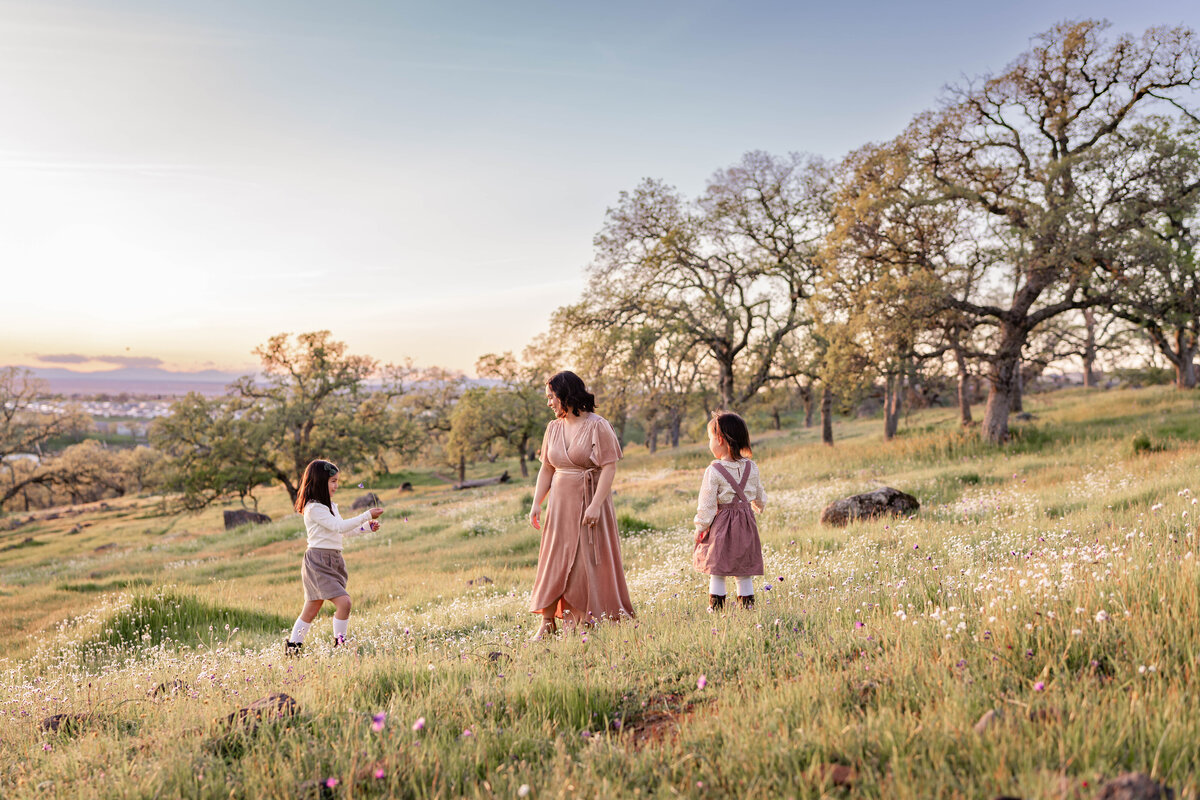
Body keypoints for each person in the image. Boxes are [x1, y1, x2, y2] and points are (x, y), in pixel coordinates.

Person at [528, 371, 634, 639]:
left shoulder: (598, 425)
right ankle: (547, 621)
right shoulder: (553, 428)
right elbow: (546, 468)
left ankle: (585, 617)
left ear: (566, 395)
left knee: (585, 560)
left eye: (551, 397)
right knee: (553, 558)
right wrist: (537, 502)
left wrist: (596, 504)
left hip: (590, 500)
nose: (549, 403)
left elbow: (609, 467)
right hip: (559, 505)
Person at [284, 459, 382, 654]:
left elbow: (343, 531)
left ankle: (293, 648)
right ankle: (340, 646)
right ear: (320, 482)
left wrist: (365, 528)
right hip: (318, 561)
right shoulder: (314, 508)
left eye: (337, 481)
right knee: (344, 602)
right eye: (333, 481)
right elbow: (339, 526)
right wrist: (366, 515)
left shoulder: (330, 506)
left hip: (333, 560)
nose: (336, 486)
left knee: (312, 608)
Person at [692, 411, 766, 610]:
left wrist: (700, 527)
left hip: (722, 526)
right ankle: (747, 608)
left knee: (717, 569)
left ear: (720, 439)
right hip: (746, 524)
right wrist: (758, 506)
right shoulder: (752, 467)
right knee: (744, 571)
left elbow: (707, 504)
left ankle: (716, 609)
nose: (709, 444)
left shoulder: (714, 471)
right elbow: (759, 493)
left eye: (710, 439)